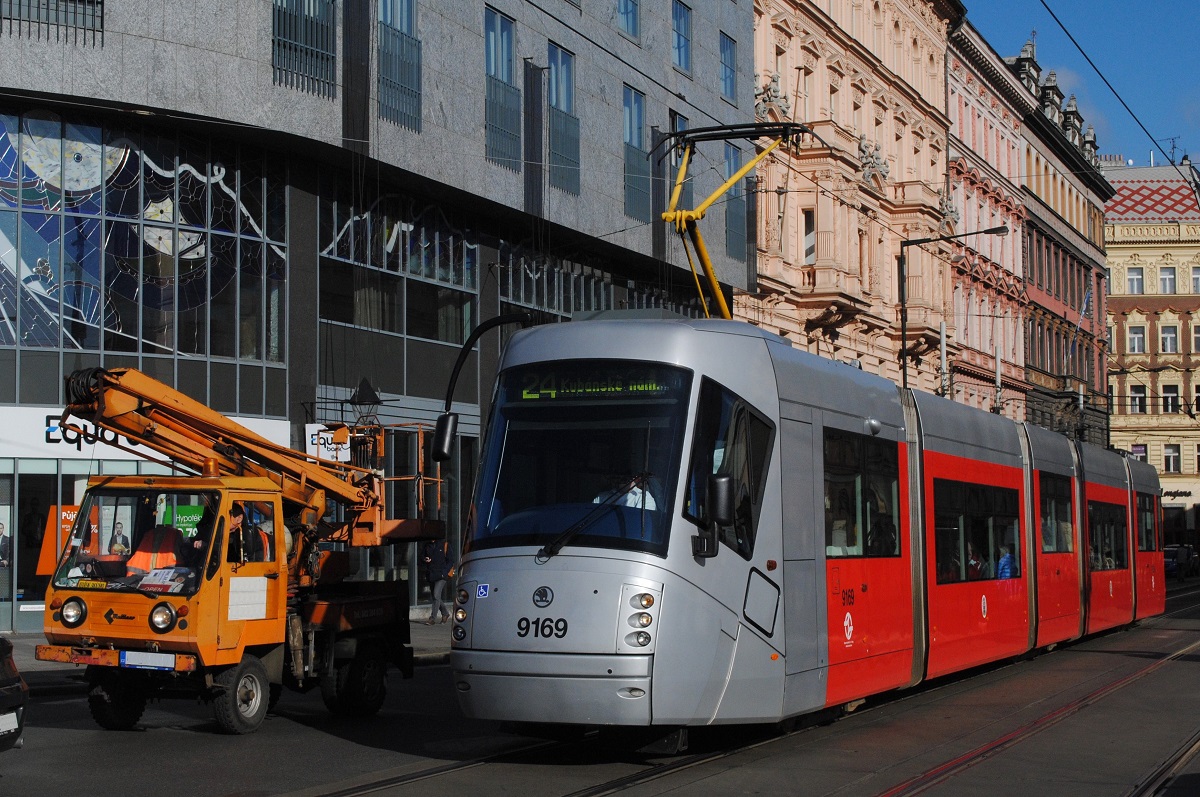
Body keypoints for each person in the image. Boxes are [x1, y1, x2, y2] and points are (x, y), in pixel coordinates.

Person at [422, 540, 455, 625]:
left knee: (436, 595)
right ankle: (445, 613)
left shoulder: (444, 544)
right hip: (431, 574)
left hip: (442, 575)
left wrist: (444, 572)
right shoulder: (427, 545)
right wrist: (425, 559)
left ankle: (432, 618)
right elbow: (421, 557)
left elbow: (451, 561)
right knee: (435, 596)